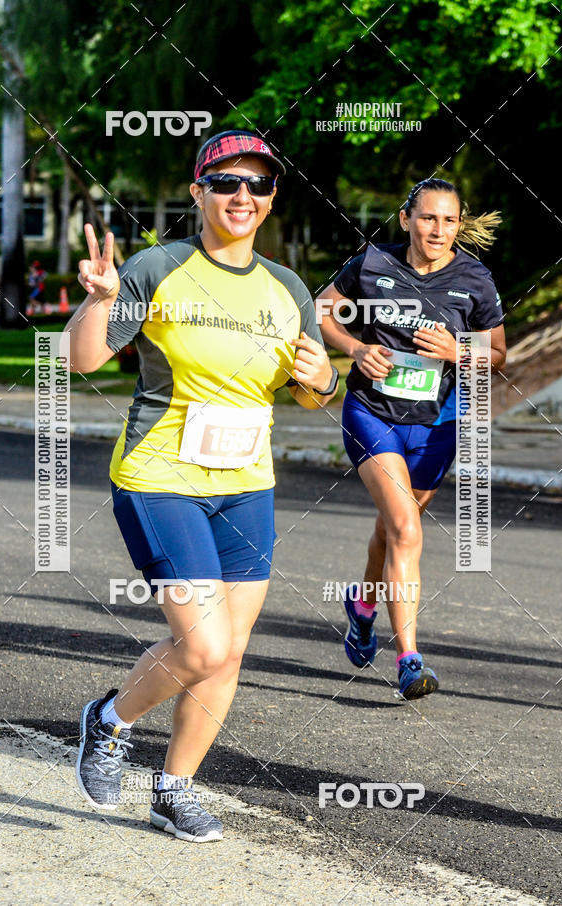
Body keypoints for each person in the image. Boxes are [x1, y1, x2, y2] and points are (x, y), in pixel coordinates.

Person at [64, 130, 338, 841]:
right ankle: (110, 720)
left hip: (247, 486)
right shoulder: (160, 267)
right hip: (160, 476)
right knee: (204, 647)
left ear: (272, 198)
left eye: (257, 185)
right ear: (198, 192)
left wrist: (325, 380)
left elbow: (311, 391)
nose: (241, 196)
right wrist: (98, 300)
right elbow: (84, 360)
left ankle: (173, 790)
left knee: (229, 651)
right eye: (225, 183)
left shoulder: (288, 288)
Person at [318, 178, 506, 700]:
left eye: (448, 220)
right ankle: (409, 659)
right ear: (406, 220)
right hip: (371, 412)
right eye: (427, 218)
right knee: (405, 530)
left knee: (393, 528)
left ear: (459, 225)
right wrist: (356, 349)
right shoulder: (374, 264)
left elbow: (497, 357)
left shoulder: (475, 279)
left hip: (436, 425)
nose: (438, 230)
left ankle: (362, 606)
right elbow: (321, 310)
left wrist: (456, 351)